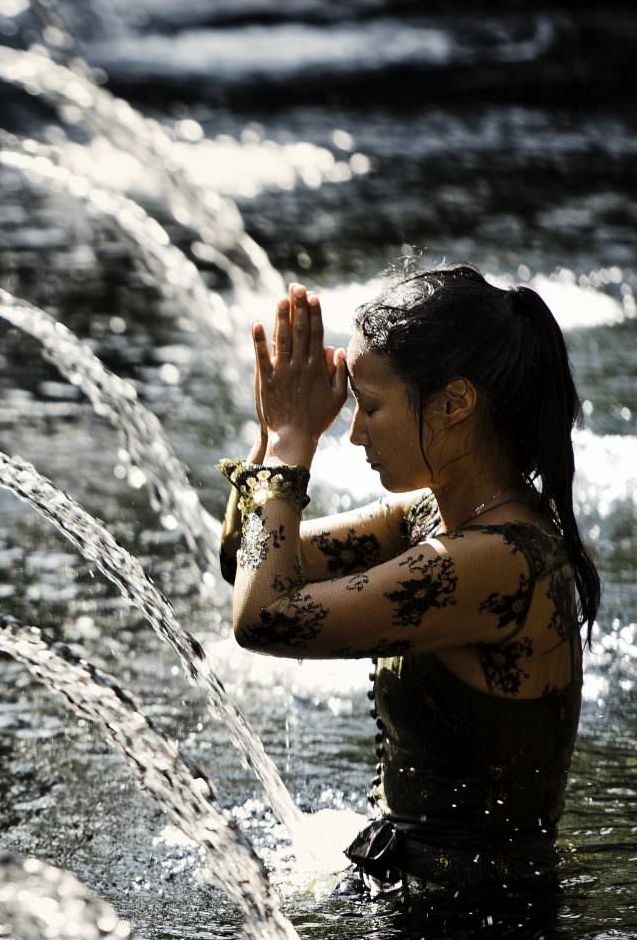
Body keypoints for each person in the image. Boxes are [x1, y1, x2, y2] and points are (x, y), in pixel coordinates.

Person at [218, 264, 599, 899]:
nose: (356, 432)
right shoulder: (432, 516)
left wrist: (292, 444)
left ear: (455, 403)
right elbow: (247, 558)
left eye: (369, 407)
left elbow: (265, 615)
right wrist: (273, 434)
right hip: (423, 910)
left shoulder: (498, 560)